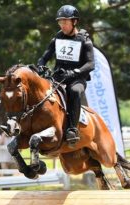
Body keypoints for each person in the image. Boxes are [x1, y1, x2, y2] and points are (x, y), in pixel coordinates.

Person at [37, 4, 95, 147]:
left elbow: (90, 64)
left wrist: (75, 72)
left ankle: (72, 129)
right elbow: (44, 57)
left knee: (74, 92)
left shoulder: (84, 39)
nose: (62, 25)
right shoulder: (57, 37)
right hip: (59, 77)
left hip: (76, 79)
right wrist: (41, 66)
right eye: (60, 22)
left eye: (65, 22)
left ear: (74, 22)